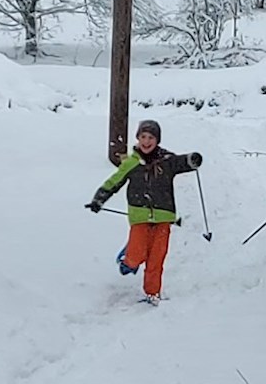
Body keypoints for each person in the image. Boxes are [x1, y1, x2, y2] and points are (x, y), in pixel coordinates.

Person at [86, 120, 204, 303]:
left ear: (157, 140)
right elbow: (114, 182)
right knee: (136, 256)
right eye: (143, 137)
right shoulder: (131, 163)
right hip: (139, 216)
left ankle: (152, 293)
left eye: (151, 137)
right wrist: (98, 199)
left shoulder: (167, 161)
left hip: (163, 217)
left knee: (157, 258)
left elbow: (182, 162)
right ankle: (127, 259)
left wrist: (192, 159)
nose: (146, 141)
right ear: (137, 138)